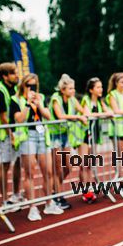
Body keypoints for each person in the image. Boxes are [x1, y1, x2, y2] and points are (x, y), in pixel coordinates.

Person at [10, 74, 63, 221]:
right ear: (23, 86)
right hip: (27, 137)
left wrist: (38, 103)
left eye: (33, 85)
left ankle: (48, 203)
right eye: (28, 85)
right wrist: (27, 103)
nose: (31, 88)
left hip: (41, 136)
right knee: (30, 173)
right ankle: (32, 207)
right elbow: (19, 118)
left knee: (48, 171)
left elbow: (48, 116)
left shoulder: (40, 97)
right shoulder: (15, 99)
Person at [49, 74, 88, 209]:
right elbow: (60, 115)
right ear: (63, 89)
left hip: (65, 135)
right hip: (55, 136)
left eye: (73, 88)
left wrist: (86, 114)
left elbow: (83, 111)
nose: (73, 91)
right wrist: (78, 117)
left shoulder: (72, 99)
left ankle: (55, 188)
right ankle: (58, 195)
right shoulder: (56, 99)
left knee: (68, 167)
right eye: (70, 89)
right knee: (58, 167)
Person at [0, 62, 22, 209]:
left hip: (15, 132)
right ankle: (4, 200)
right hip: (5, 134)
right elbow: (3, 117)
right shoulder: (0, 92)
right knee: (5, 165)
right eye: (13, 73)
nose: (17, 75)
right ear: (5, 76)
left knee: (18, 163)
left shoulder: (14, 89)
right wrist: (11, 134)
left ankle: (16, 195)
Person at [79, 77, 114, 203]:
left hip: (94, 135)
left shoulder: (100, 101)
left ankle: (89, 189)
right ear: (91, 90)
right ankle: (85, 190)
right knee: (84, 164)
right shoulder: (85, 100)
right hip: (84, 135)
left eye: (101, 87)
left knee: (90, 164)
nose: (101, 89)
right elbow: (87, 114)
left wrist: (107, 113)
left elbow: (109, 112)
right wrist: (103, 114)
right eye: (98, 87)